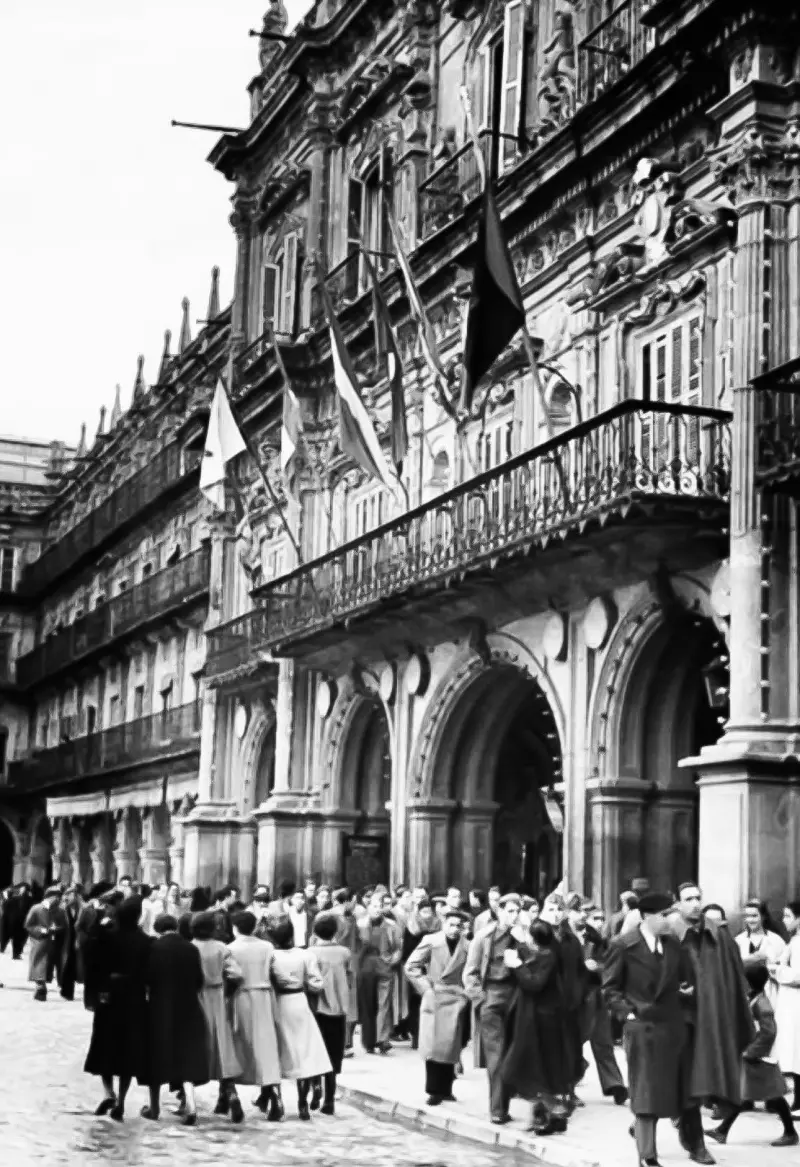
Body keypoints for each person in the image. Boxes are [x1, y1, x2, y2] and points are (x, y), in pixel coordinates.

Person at [603, 891, 692, 1167]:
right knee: (645, 1092)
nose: (670, 919)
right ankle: (647, 1155)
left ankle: (643, 1133)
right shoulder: (622, 945)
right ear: (647, 916)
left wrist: (685, 992)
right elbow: (610, 988)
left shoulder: (673, 944)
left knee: (667, 1090)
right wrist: (628, 1014)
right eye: (665, 915)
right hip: (642, 1027)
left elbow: (683, 977)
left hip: (671, 1027)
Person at [672, 882, 755, 1166]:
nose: (695, 903)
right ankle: (651, 1121)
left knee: (698, 1082)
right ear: (678, 903)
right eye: (688, 899)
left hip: (711, 1022)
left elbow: (736, 978)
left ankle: (695, 1142)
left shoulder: (719, 935)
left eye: (698, 897)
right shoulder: (669, 933)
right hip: (677, 1022)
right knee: (677, 1082)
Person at [706, 962, 797, 1148]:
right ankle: (722, 1130)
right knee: (745, 1094)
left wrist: (751, 1052)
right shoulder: (754, 998)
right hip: (754, 1058)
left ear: (749, 982)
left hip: (761, 1059)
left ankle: (790, 1132)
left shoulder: (762, 1005)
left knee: (774, 1097)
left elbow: (769, 1032)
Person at [83, 895, 151, 1122]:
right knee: (128, 1050)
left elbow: (92, 960)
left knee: (105, 1045)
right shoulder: (145, 941)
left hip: (109, 996)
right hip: (134, 998)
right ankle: (121, 1100)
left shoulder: (108, 936)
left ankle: (108, 1092)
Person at [501, 918, 572, 1134]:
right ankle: (547, 1115)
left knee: (536, 1068)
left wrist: (517, 966)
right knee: (538, 1068)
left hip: (541, 1021)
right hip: (537, 1018)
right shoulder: (546, 952)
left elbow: (534, 983)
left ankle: (554, 1112)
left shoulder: (547, 956)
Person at [141, 915, 209, 1125]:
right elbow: (199, 980)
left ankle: (154, 1108)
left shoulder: (153, 948)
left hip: (160, 1007)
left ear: (157, 928)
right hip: (188, 1006)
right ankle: (191, 1104)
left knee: (155, 1056)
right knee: (186, 1055)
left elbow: (146, 978)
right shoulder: (191, 948)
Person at [463, 892, 522, 1124]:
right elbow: (470, 972)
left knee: (515, 1053)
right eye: (510, 911)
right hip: (492, 997)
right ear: (499, 911)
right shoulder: (484, 936)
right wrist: (480, 998)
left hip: (517, 999)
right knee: (496, 1056)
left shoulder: (523, 935)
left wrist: (524, 941)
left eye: (517, 911)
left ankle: (510, 1101)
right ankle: (498, 1109)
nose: (514, 916)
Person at [405, 907, 470, 1106]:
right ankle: (433, 1090)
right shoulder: (431, 941)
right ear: (443, 924)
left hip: (457, 998)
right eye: (451, 924)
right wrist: (426, 988)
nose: (454, 929)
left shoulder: (467, 946)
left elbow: (472, 971)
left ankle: (447, 1089)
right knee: (433, 1045)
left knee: (451, 1045)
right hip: (435, 996)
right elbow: (411, 966)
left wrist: (466, 993)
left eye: (458, 926)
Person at [268, 916, 332, 1119]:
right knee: (303, 1052)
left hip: (278, 1003)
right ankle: (302, 1103)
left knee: (277, 1052)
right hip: (299, 1002)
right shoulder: (306, 955)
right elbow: (317, 983)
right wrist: (303, 984)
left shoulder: (271, 956)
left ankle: (276, 1101)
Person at [572, 898, 628, 1105]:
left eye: (600, 918)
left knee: (603, 1042)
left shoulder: (599, 941)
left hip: (596, 996)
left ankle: (615, 1084)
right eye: (592, 917)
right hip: (575, 999)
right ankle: (570, 1085)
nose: (598, 922)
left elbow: (610, 967)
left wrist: (597, 968)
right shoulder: (566, 938)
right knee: (573, 1043)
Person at [227, 910, 282, 1120]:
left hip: (242, 996)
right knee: (267, 1045)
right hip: (265, 997)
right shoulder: (267, 947)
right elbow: (277, 972)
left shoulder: (231, 949)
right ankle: (275, 1094)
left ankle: (231, 1093)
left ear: (235, 928)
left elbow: (232, 975)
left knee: (239, 1043)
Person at [191, 910, 244, 1122]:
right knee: (222, 1044)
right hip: (217, 995)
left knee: (197, 1044)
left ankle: (186, 1099)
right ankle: (229, 1092)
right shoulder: (222, 948)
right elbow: (237, 974)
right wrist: (228, 990)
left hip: (196, 997)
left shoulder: (191, 947)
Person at [310, 912, 352, 1114]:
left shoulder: (310, 953)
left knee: (315, 1050)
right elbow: (350, 976)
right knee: (334, 1054)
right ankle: (329, 1100)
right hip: (339, 1009)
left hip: (317, 1008)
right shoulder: (344, 953)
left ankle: (315, 1084)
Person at [356, 888, 401, 1054]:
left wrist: (392, 961)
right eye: (373, 906)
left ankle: (382, 1039)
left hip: (384, 966)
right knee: (367, 1004)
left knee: (384, 1003)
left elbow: (398, 948)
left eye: (379, 906)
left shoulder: (392, 926)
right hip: (365, 967)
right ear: (368, 907)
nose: (376, 909)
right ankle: (368, 1041)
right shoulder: (360, 924)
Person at [771, 899, 800, 1114]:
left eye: (788, 916)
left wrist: (776, 970)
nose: (784, 920)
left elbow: (797, 975)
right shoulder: (794, 941)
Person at [401, 898, 439, 1050]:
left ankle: (430, 1037)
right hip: (416, 971)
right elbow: (406, 951)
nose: (427, 915)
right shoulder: (411, 927)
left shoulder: (438, 926)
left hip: (433, 969)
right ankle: (416, 1036)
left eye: (429, 912)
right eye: (424, 912)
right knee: (416, 1003)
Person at [734, 899, 786, 1005]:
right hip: (743, 995)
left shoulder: (776, 940)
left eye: (754, 916)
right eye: (747, 916)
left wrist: (767, 962)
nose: (750, 920)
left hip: (770, 995)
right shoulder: (738, 940)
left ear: (763, 916)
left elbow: (784, 968)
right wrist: (750, 960)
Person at [24, 885, 65, 1001]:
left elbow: (63, 926)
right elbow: (28, 925)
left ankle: (42, 987)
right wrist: (41, 930)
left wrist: (56, 929)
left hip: (53, 944)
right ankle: (40, 987)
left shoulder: (60, 911)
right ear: (49, 897)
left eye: (59, 897)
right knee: (39, 965)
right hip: (39, 942)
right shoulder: (36, 909)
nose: (58, 900)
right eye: (56, 897)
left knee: (48, 967)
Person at [58, 884, 83, 1001]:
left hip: (76, 942)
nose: (72, 897)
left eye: (74, 895)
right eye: (70, 895)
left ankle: (69, 992)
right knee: (65, 966)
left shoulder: (81, 909)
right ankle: (65, 990)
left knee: (72, 966)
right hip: (65, 942)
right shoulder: (62, 909)